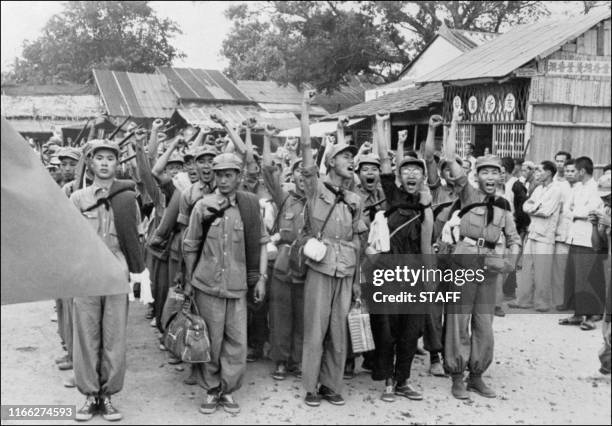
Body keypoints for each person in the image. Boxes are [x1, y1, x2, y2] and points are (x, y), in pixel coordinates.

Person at [442, 108, 521, 400]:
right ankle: (457, 376)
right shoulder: (469, 194)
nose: (490, 176)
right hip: (464, 261)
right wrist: (454, 121)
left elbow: (514, 238)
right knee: (458, 321)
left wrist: (510, 261)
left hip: (489, 266)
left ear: (502, 176)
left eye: (495, 171)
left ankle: (477, 374)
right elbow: (449, 158)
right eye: (484, 171)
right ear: (477, 176)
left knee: (484, 324)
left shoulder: (504, 206)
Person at [183, 152, 268, 415]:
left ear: (239, 177)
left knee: (236, 342)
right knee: (210, 340)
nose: (222, 179)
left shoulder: (250, 208)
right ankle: (211, 390)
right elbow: (190, 246)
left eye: (228, 174)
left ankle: (227, 390)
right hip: (207, 285)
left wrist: (261, 278)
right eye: (219, 174)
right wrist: (189, 281)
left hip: (237, 286)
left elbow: (263, 244)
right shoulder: (202, 206)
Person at [70, 140, 145, 421]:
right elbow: (68, 238)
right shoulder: (78, 198)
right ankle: (90, 396)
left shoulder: (127, 198)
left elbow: (134, 240)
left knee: (114, 337)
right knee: (86, 337)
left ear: (117, 164)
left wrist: (138, 275)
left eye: (110, 159)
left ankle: (109, 396)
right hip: (86, 274)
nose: (104, 163)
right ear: (89, 163)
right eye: (98, 158)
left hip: (116, 271)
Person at [299, 91, 363, 407]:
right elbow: (307, 157)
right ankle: (311, 386)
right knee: (315, 329)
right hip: (321, 266)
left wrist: (359, 278)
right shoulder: (316, 189)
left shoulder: (355, 200)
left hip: (346, 269)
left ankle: (330, 384)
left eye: (353, 157)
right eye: (345, 156)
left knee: (339, 332)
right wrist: (305, 112)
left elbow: (359, 240)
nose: (351, 161)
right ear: (331, 162)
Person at [370, 112, 433, 403]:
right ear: (399, 175)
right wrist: (383, 124)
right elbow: (384, 158)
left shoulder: (426, 208)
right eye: (406, 170)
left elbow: (426, 247)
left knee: (410, 332)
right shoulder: (393, 196)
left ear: (423, 176)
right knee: (387, 330)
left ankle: (403, 380)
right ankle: (387, 382)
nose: (411, 174)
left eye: (416, 170)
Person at [262, 124, 307, 380]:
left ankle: (297, 361)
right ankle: (280, 360)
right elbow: (268, 172)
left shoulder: (318, 202)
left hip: (308, 266)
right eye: (298, 170)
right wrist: (268, 139)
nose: (302, 175)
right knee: (280, 314)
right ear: (292, 174)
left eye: (307, 172)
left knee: (303, 315)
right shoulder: (285, 198)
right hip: (282, 266)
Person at [559, 157, 605, 330]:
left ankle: (591, 316)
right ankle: (578, 313)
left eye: (575, 170)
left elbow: (591, 212)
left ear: (582, 171)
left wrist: (575, 213)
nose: (573, 174)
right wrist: (576, 214)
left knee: (587, 278)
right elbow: (566, 209)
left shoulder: (596, 188)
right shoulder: (577, 188)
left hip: (588, 238)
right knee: (573, 276)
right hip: (574, 235)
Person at [510, 161, 562, 312]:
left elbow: (546, 211)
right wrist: (535, 208)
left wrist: (533, 208)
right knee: (526, 268)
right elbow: (526, 206)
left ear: (549, 173)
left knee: (542, 271)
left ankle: (542, 303)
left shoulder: (556, 190)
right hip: (533, 232)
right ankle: (523, 300)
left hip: (545, 235)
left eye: (540, 170)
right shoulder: (539, 188)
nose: (537, 173)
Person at [591, 174, 610, 374]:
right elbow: (598, 246)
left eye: (609, 196)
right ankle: (607, 362)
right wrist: (594, 226)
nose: (605, 200)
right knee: (608, 321)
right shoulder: (606, 210)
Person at [552, 159, 576, 308]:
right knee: (559, 271)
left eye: (572, 171)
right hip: (561, 233)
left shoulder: (582, 188)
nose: (569, 174)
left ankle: (575, 301)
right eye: (567, 171)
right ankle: (561, 301)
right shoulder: (559, 187)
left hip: (578, 237)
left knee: (576, 271)